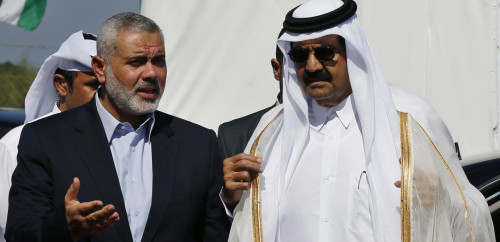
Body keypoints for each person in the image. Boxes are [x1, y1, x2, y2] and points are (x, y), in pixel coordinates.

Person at [221, 0, 495, 241]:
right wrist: (232, 199)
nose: (313, 66)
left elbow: (472, 211)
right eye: (301, 55)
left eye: (326, 53)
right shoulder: (272, 130)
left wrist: (438, 198)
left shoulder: (409, 118)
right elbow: (254, 225)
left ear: (352, 51)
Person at [6, 12, 228, 242]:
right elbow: (19, 234)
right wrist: (65, 227)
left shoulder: (199, 144)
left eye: (158, 60)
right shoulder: (47, 139)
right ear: (100, 68)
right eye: (136, 62)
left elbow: (214, 234)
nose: (151, 73)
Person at [0, 30, 98, 241]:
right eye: (94, 86)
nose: (104, 97)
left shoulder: (116, 141)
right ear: (62, 84)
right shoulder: (15, 144)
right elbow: (12, 229)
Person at [217, 29, 285, 159]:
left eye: (325, 54)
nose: (312, 66)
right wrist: (224, 179)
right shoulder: (234, 135)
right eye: (298, 57)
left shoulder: (336, 130)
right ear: (277, 69)